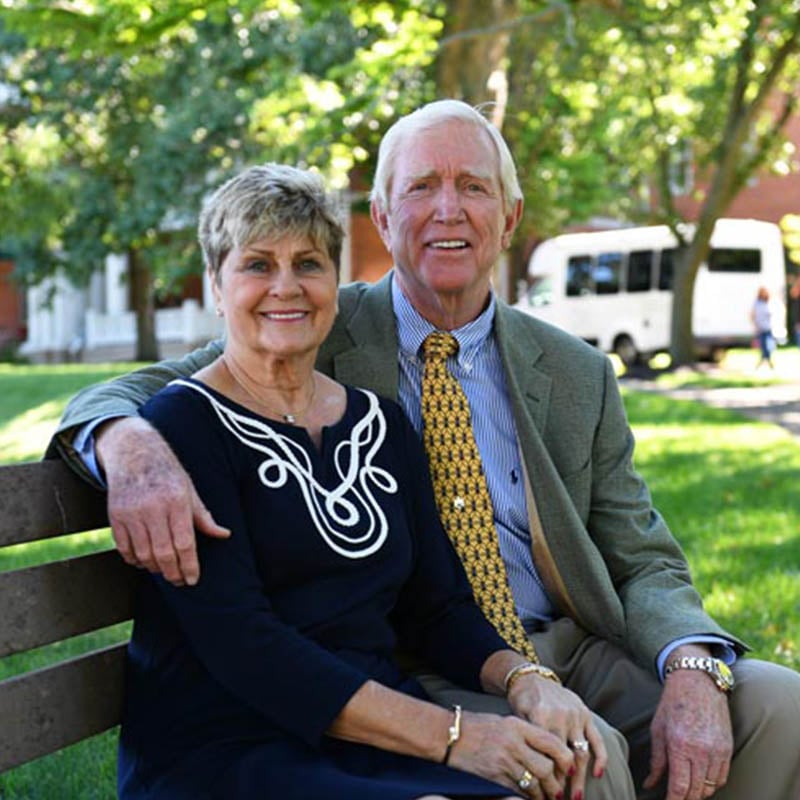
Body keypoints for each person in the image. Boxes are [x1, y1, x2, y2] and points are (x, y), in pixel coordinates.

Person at [50, 101, 800, 800]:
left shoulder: (574, 373)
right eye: (422, 188)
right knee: (584, 755)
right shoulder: (307, 324)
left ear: (509, 218)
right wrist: (129, 444)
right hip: (419, 671)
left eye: (473, 186)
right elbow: (151, 394)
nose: (449, 209)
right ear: (381, 214)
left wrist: (692, 664)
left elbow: (642, 554)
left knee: (780, 709)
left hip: (565, 647)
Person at [113, 162, 603, 800]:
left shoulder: (382, 423)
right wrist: (456, 737)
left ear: (336, 281)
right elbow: (246, 648)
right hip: (227, 750)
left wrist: (523, 679)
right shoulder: (185, 427)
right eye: (257, 265)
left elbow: (438, 609)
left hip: (369, 745)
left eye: (309, 264)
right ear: (215, 284)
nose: (285, 287)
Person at [750, 286, 775, 369]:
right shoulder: (756, 303)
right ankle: (766, 361)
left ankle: (764, 361)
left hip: (768, 327)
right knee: (764, 346)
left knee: (770, 346)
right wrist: (754, 325)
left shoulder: (767, 302)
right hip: (760, 328)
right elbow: (752, 314)